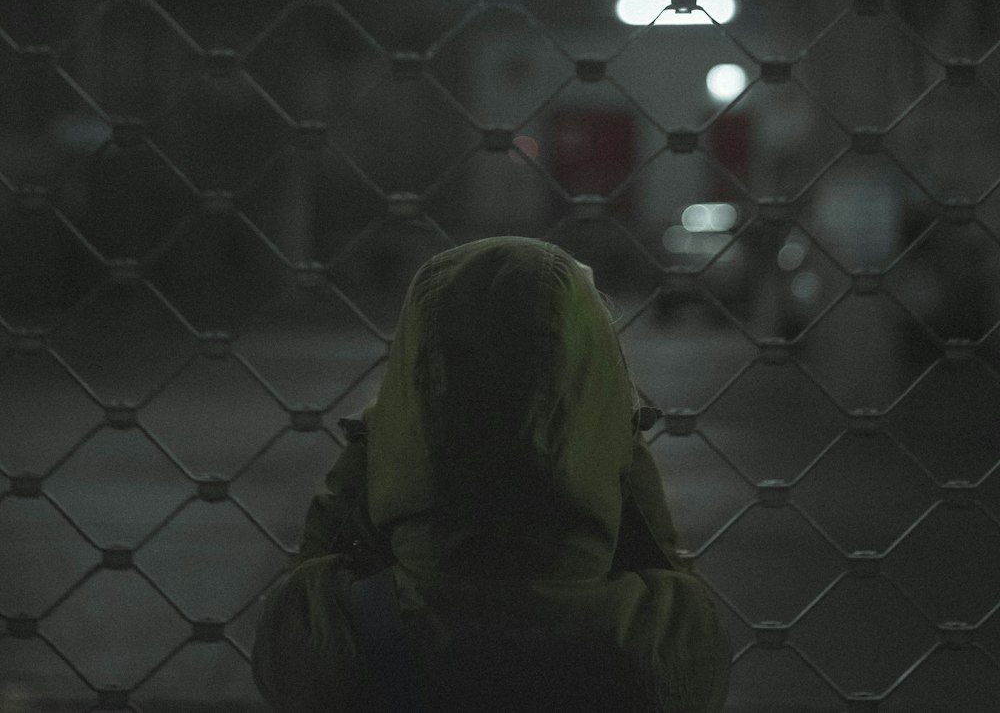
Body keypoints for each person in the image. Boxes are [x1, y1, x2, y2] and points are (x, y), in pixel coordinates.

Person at [252, 236, 731, 713]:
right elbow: (662, 561)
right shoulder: (661, 639)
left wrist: (382, 429)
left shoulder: (341, 629)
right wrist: (615, 424)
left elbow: (307, 575)